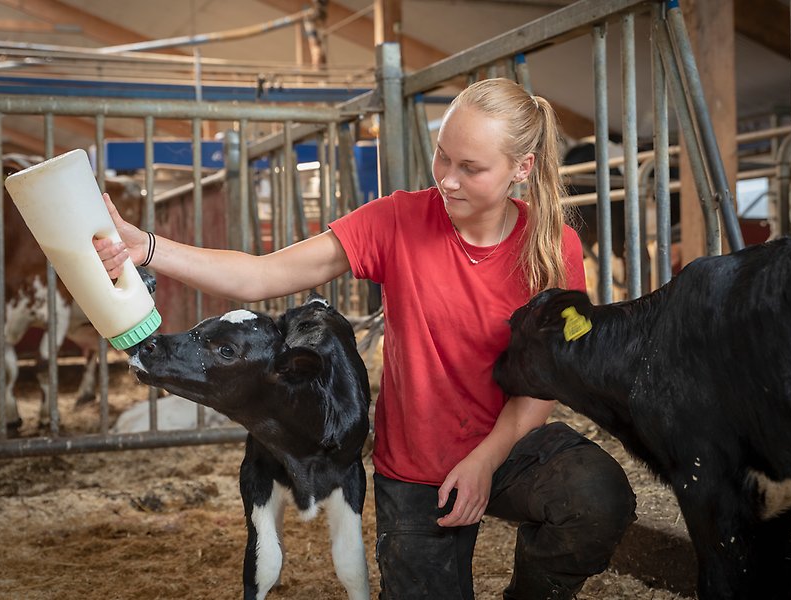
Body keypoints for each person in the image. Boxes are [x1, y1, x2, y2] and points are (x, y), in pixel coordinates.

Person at [95, 77, 636, 599]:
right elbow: (260, 276)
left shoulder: (552, 247)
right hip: (421, 465)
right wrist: (143, 246)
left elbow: (543, 385)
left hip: (508, 445)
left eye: (470, 168)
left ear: (522, 168)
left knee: (597, 496)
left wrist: (486, 461)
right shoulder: (398, 221)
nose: (446, 178)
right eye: (442, 155)